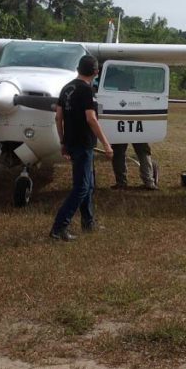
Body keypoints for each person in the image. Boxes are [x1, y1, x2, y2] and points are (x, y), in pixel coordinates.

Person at [50, 55, 113, 242]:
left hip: (70, 142)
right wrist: (107, 145)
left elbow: (58, 117)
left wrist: (62, 142)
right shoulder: (87, 90)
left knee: (89, 184)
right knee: (81, 187)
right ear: (96, 72)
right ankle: (59, 227)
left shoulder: (66, 88)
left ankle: (88, 222)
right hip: (84, 143)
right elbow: (91, 118)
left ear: (78, 69)